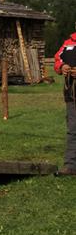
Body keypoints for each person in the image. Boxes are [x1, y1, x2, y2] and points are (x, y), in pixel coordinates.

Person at [54, 29, 76, 176]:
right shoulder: (69, 43)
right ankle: (71, 166)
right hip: (72, 93)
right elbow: (57, 58)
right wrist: (62, 67)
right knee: (73, 129)